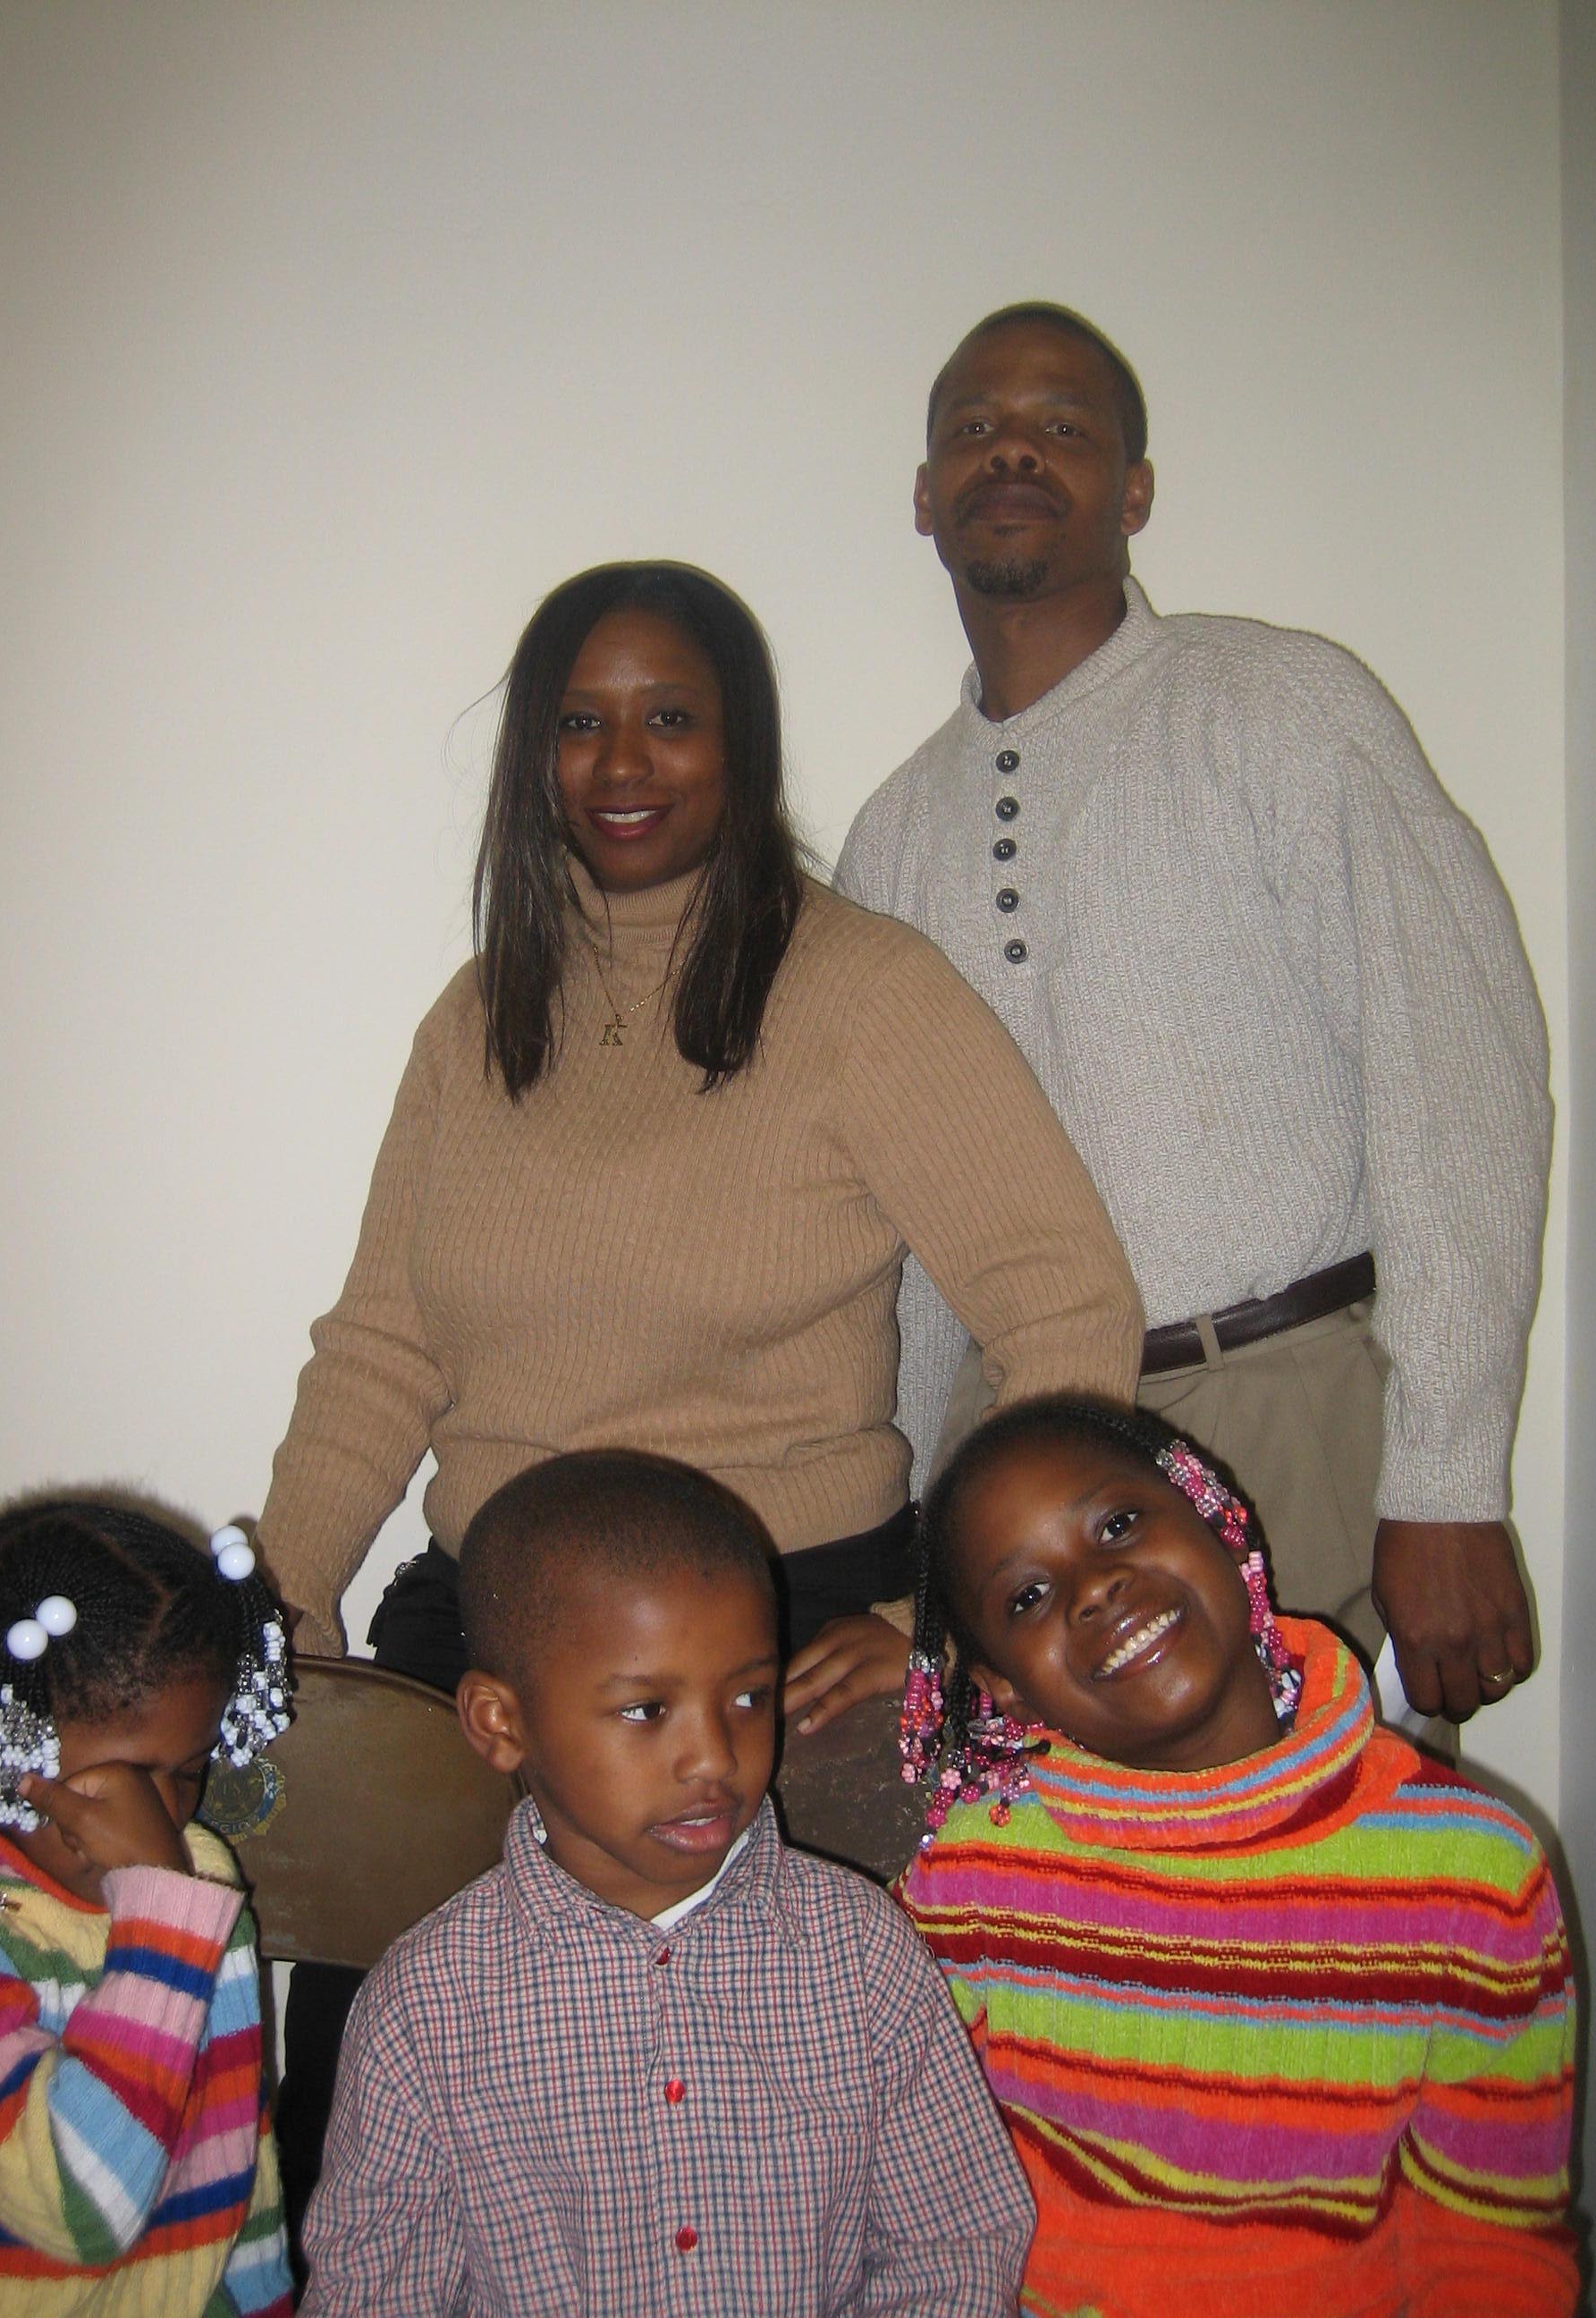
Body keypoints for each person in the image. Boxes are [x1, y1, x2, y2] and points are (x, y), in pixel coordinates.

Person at [254, 560, 1141, 2247]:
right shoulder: (474, 1023)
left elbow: (1063, 1307)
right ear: (533, 755)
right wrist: (280, 1594)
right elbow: (382, 1347)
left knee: (764, 2140)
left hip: (781, 1635)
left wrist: (946, 1618)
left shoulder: (864, 992)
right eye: (579, 722)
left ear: (742, 744)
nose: (621, 761)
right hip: (495, 1629)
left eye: (670, 716)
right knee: (370, 2097)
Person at [834, 303, 1550, 1732]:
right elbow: (900, 1255)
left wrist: (1449, 1482)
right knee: (1063, 1875)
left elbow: (1459, 1081)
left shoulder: (1281, 707)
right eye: (974, 429)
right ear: (923, 494)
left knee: (1334, 1863)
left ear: (1136, 490)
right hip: (1018, 1481)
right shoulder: (893, 836)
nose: (1013, 451)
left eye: (1062, 426)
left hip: (1294, 1431)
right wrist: (904, 1544)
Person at [301, 1449, 1034, 2316]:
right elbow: (374, 2294)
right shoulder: (424, 2010)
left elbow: (957, 2248)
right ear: (500, 1723)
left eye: (749, 1698)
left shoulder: (861, 1950)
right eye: (646, 1710)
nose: (713, 1758)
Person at [895, 1396, 1578, 2318]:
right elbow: (912, 2195)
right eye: (1028, 1597)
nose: (1093, 1587)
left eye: (1118, 1525)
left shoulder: (1470, 1873)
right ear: (1005, 1692)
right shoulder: (975, 1875)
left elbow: (1487, 2244)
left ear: (1216, 1517)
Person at [0, 1493, 294, 2318]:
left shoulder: (196, 1880)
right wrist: (160, 1918)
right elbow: (82, 2209)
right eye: (111, 1788)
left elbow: (233, 2171)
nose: (159, 1822)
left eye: (188, 1772)